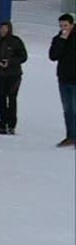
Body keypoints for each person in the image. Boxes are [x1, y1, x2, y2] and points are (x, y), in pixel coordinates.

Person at [0, 21, 27, 135]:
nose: (3, 31)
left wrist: (10, 62)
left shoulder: (16, 41)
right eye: (1, 28)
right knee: (1, 99)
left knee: (12, 99)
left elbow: (23, 56)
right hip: (0, 74)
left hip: (13, 75)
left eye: (5, 28)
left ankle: (11, 124)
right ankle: (2, 123)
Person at [48, 13, 76, 147]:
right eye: (61, 26)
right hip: (64, 79)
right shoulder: (58, 39)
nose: (63, 28)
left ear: (72, 24)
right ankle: (70, 136)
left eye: (66, 25)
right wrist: (62, 41)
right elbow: (53, 56)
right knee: (68, 109)